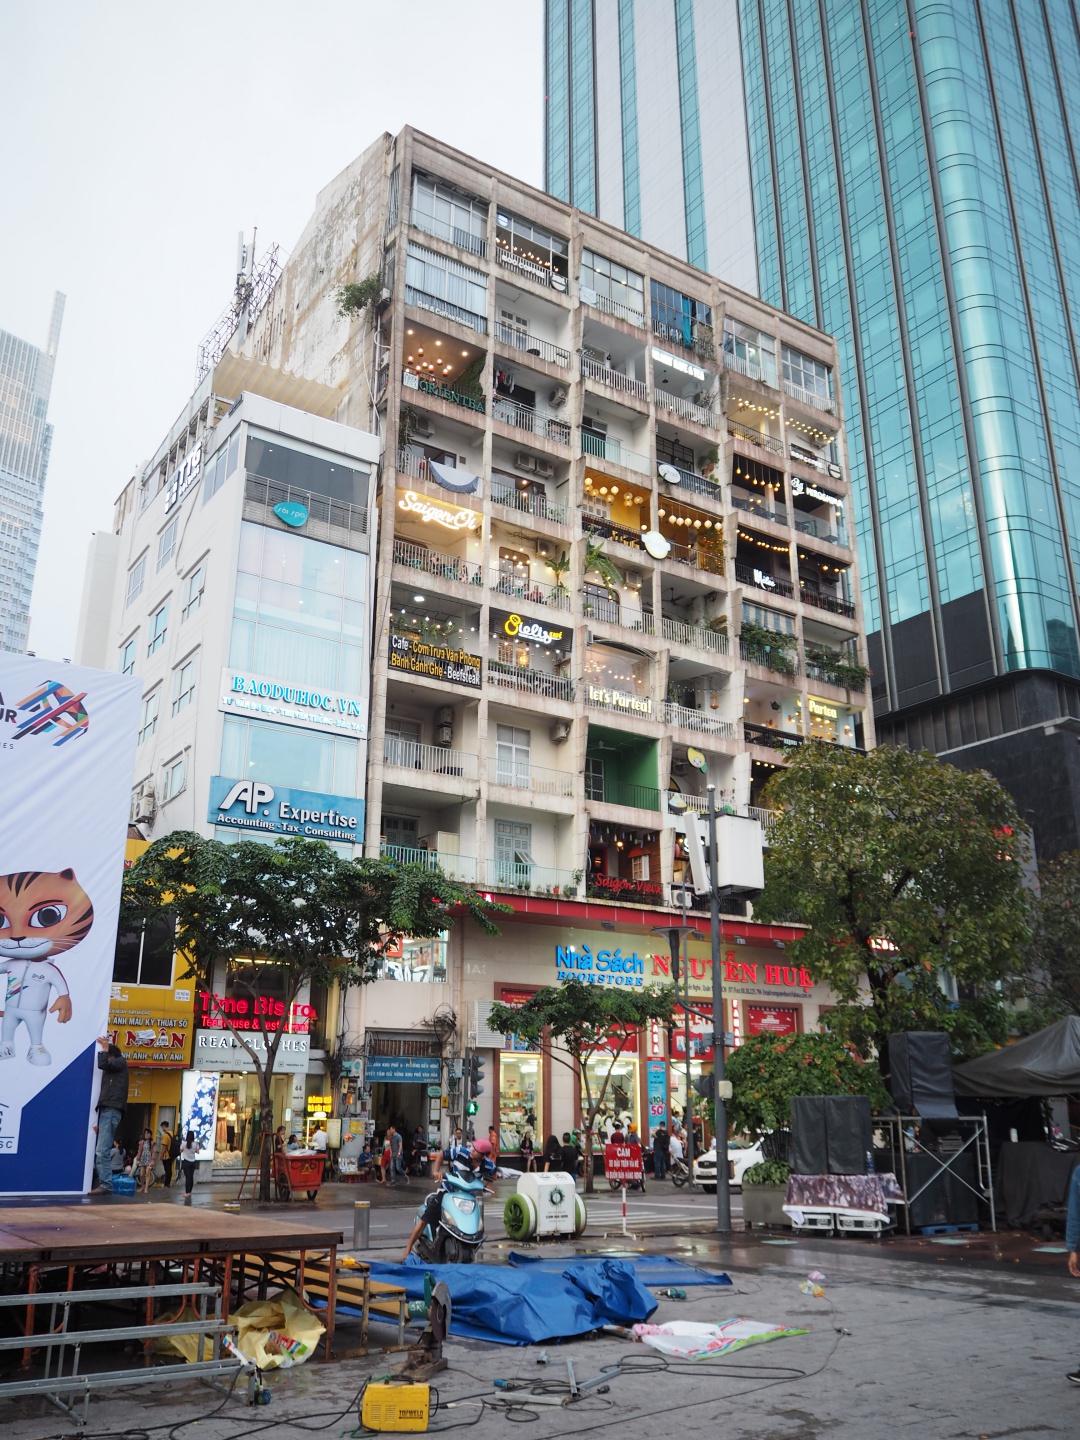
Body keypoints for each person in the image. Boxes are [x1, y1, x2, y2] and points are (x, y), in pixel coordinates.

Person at [400, 1139, 496, 1261]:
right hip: (448, 1191)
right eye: (473, 1148)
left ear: (483, 1155)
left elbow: (493, 1174)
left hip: (468, 1198)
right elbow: (441, 1154)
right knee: (425, 1219)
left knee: (476, 1226)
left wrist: (488, 1185)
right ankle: (407, 1249)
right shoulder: (461, 1152)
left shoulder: (488, 1165)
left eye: (476, 1150)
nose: (472, 1150)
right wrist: (436, 1171)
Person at [90, 1036, 128, 1195]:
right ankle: (104, 1182)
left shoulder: (120, 1062)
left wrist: (105, 1047)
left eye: (107, 1054)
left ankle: (106, 1184)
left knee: (102, 1150)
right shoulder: (115, 1071)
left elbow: (103, 1063)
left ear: (112, 1055)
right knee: (101, 1149)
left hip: (111, 1108)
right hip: (108, 1109)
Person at [179, 1130, 199, 1201]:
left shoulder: (184, 1143)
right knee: (191, 1177)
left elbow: (180, 1150)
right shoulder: (195, 1144)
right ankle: (189, 1191)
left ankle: (187, 1192)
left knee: (187, 1177)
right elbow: (198, 1152)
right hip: (193, 1162)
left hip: (186, 1162)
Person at [135, 1128, 155, 1193]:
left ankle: (146, 1188)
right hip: (142, 1159)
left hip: (149, 1159)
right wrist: (138, 1159)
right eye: (145, 1133)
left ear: (150, 1134)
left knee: (147, 1174)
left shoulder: (153, 1142)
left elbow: (154, 1152)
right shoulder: (142, 1142)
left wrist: (153, 1160)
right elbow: (139, 1151)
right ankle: (142, 1186)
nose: (146, 1134)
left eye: (148, 1133)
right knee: (141, 1174)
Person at [159, 1121, 178, 1188]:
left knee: (167, 1170)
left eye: (162, 1127)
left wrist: (161, 1155)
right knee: (169, 1169)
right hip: (172, 1154)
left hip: (167, 1155)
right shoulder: (172, 1133)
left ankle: (166, 1184)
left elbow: (164, 1146)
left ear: (164, 1126)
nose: (162, 1129)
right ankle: (168, 1183)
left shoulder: (166, 1135)